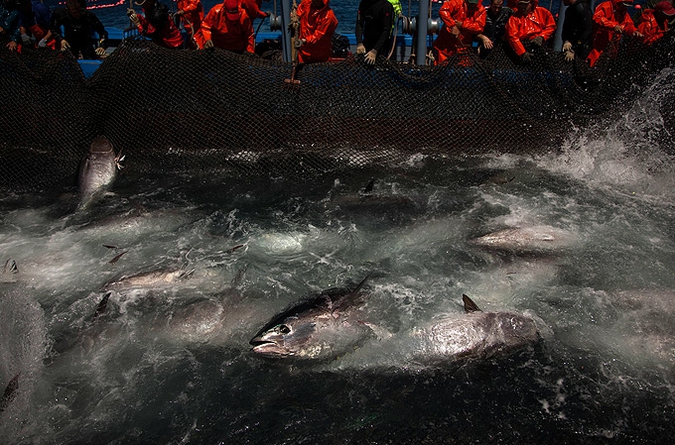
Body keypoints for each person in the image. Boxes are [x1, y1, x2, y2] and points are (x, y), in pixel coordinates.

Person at [586, 0, 644, 67]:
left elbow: (628, 24)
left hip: (611, 46)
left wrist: (634, 31)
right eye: (625, 4)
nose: (625, 7)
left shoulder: (622, 11)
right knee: (591, 64)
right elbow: (597, 18)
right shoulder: (607, 5)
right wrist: (613, 26)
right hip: (598, 44)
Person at [432, 0, 487, 65]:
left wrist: (462, 25)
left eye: (474, 4)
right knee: (442, 68)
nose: (472, 6)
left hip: (464, 48)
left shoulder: (481, 10)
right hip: (445, 47)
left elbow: (479, 27)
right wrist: (453, 26)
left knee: (463, 71)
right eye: (470, 4)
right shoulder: (457, 3)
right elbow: (443, 11)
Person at [355, 0, 394, 64]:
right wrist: (359, 43)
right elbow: (359, 24)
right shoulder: (363, 3)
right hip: (367, 42)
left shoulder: (385, 6)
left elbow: (386, 30)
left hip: (381, 46)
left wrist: (375, 51)